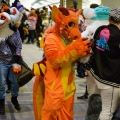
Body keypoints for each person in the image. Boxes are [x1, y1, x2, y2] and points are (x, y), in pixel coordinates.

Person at [32, 5, 92, 120]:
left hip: (68, 83)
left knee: (67, 113)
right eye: (70, 24)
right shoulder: (51, 38)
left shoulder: (69, 38)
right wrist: (75, 49)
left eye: (76, 25)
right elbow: (55, 60)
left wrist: (83, 53)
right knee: (51, 112)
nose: (75, 29)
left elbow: (72, 58)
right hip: (55, 83)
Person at [90, 7, 120, 120]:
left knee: (105, 108)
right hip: (111, 78)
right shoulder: (118, 35)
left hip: (98, 73)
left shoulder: (100, 29)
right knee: (108, 111)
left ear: (109, 18)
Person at [0, 5, 22, 115]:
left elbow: (19, 44)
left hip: (14, 61)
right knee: (1, 84)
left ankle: (14, 98)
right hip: (1, 61)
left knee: (14, 83)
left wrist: (17, 57)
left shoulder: (15, 31)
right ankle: (1, 103)